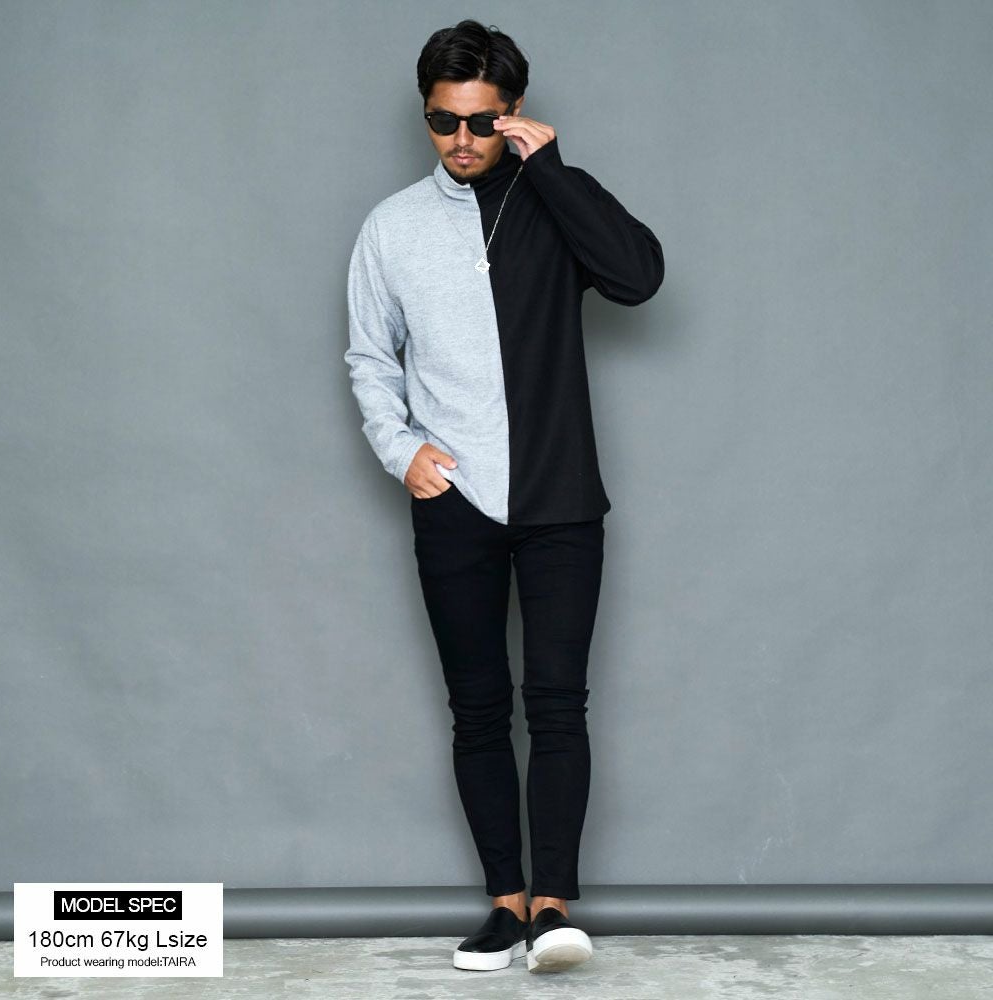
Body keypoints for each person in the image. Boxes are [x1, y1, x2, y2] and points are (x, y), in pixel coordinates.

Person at [344, 19, 663, 974]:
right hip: (455, 501)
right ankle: (505, 906)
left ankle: (555, 907)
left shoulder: (554, 200)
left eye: (481, 122)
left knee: (558, 704)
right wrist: (402, 451)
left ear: (513, 113)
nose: (461, 140)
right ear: (426, 116)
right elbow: (370, 357)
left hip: (560, 496)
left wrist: (551, 170)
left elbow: (638, 277)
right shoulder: (392, 227)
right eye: (442, 121)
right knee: (478, 708)